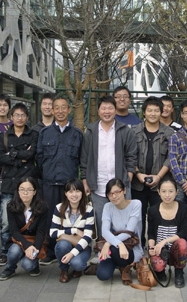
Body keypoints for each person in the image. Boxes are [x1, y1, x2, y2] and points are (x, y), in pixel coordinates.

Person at [80, 95, 137, 240]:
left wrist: (129, 176)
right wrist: (85, 180)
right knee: (101, 221)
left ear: (115, 110)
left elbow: (131, 155)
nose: (107, 111)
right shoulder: (91, 131)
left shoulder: (124, 130)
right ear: (98, 111)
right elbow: (84, 158)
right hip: (98, 185)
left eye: (110, 108)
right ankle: (103, 249)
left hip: (120, 184)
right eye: (103, 108)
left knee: (124, 222)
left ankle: (125, 249)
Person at [36, 96, 83, 265]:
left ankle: (69, 249)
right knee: (50, 217)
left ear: (69, 110)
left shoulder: (77, 134)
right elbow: (39, 159)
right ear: (53, 110)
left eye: (64, 107)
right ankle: (50, 251)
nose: (60, 111)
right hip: (49, 183)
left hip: (69, 186)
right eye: (57, 108)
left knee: (70, 217)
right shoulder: (45, 133)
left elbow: (82, 159)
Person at [0, 103, 39, 264]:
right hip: (9, 183)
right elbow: (1, 157)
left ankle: (27, 248)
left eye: (23, 115)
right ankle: (6, 251)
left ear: (27, 118)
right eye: (16, 115)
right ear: (11, 117)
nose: (19, 118)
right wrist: (19, 158)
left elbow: (31, 154)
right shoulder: (4, 135)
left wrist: (12, 154)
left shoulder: (33, 134)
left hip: (27, 183)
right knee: (6, 221)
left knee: (28, 219)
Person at [131, 96, 175, 247]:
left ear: (161, 112)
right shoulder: (134, 132)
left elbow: (171, 157)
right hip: (137, 183)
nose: (153, 113)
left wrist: (159, 176)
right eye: (149, 110)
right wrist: (138, 174)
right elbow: (129, 155)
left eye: (156, 110)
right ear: (144, 112)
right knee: (138, 217)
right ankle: (138, 246)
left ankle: (157, 247)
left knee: (159, 216)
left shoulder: (169, 133)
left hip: (160, 184)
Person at [0, 177, 49, 280]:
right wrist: (27, 246)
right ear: (18, 191)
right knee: (14, 251)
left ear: (34, 192)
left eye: (29, 190)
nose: (25, 193)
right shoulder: (11, 206)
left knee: (27, 265)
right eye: (22, 189)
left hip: (35, 241)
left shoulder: (43, 207)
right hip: (19, 240)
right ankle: (10, 268)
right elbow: (14, 231)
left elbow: (41, 232)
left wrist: (35, 249)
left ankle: (34, 265)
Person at [96, 178, 143, 285]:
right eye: (110, 194)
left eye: (117, 192)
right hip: (114, 248)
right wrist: (119, 244)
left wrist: (108, 243)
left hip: (131, 247)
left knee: (115, 249)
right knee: (102, 275)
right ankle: (119, 264)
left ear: (124, 190)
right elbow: (104, 231)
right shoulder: (107, 207)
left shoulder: (136, 204)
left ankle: (125, 268)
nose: (114, 196)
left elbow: (129, 231)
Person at [147, 177, 187, 288]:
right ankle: (160, 272)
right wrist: (151, 247)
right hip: (160, 249)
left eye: (171, 191)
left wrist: (164, 241)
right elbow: (151, 233)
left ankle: (179, 271)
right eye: (164, 191)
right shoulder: (153, 210)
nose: (167, 195)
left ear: (176, 192)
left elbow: (184, 232)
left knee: (182, 244)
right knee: (157, 266)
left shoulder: (184, 209)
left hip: (175, 249)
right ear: (158, 192)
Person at [49, 179, 95, 283]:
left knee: (77, 264)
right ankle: (64, 269)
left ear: (82, 193)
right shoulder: (59, 208)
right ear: (66, 194)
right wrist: (74, 231)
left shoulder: (89, 209)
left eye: (77, 191)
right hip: (67, 244)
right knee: (62, 245)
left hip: (83, 246)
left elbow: (87, 237)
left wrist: (71, 254)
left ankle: (76, 268)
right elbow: (52, 233)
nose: (74, 195)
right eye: (70, 191)